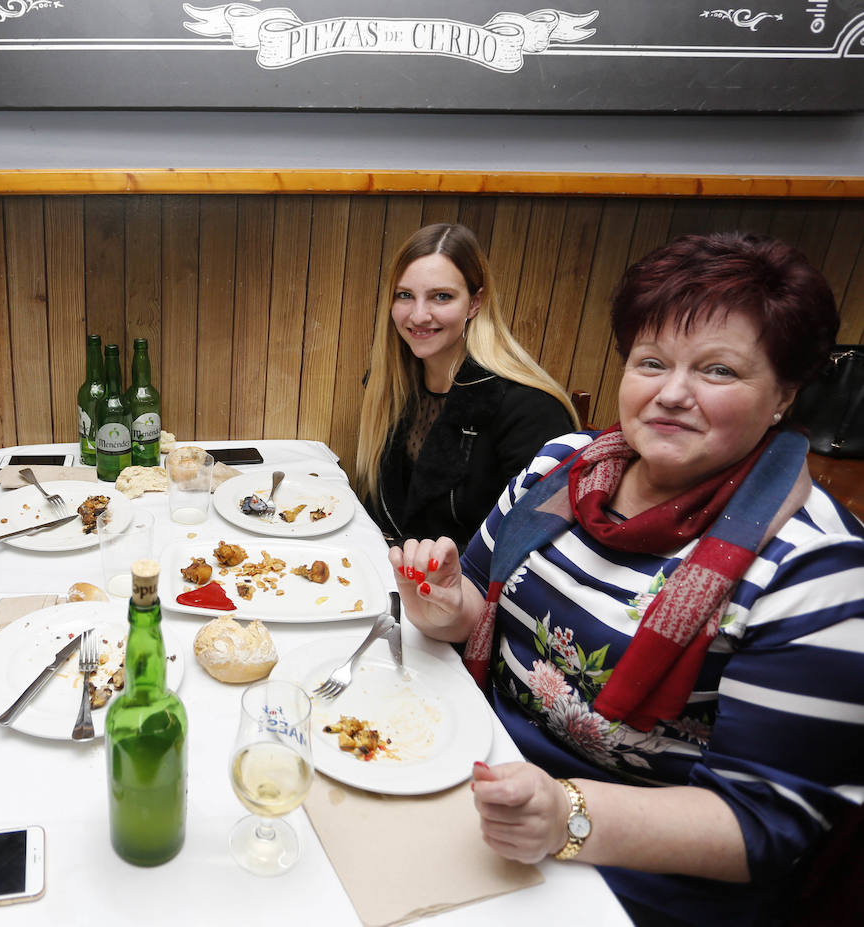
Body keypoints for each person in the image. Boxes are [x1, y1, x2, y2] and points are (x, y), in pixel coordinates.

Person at [392, 233, 864, 926]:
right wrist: (442, 602)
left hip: (637, 873)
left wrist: (570, 813)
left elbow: (762, 822)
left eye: (719, 371)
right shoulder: (561, 467)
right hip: (482, 772)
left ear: (784, 395)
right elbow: (476, 606)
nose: (672, 393)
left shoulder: (817, 573)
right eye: (652, 361)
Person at [356, 223, 577, 547]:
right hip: (393, 575)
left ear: (475, 303)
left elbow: (539, 544)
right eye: (405, 295)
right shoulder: (391, 384)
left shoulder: (531, 409)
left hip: (471, 591)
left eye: (441, 297)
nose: (418, 315)